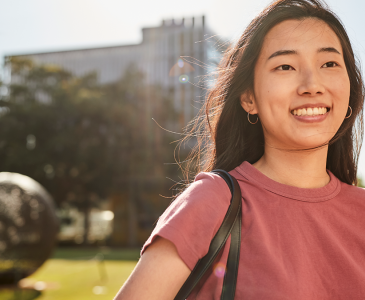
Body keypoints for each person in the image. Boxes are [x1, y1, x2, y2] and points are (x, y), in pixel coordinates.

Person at [114, 0, 365, 298]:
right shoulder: (213, 200)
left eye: (329, 64)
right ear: (249, 98)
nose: (312, 85)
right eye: (285, 66)